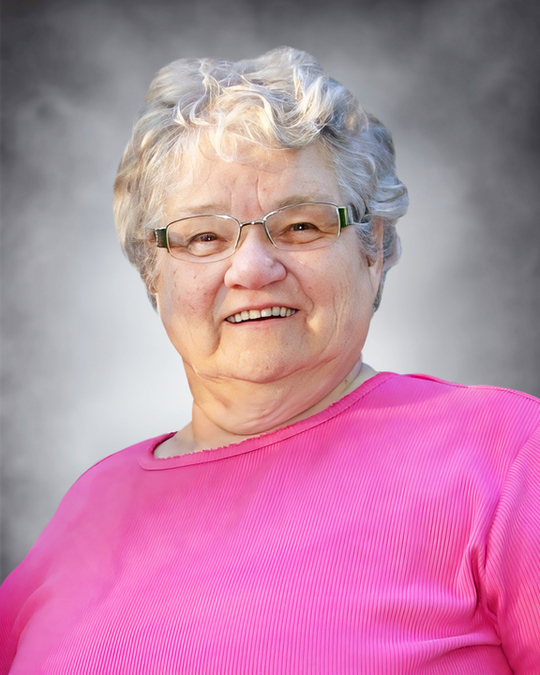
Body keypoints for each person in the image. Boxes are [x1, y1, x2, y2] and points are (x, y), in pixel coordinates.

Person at [1, 46, 539, 674]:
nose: (253, 269)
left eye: (302, 226)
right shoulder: (91, 504)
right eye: (204, 236)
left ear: (373, 248)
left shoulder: (507, 452)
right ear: (153, 273)